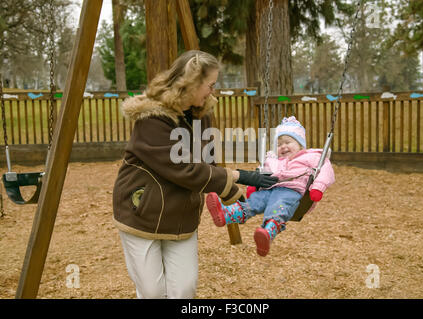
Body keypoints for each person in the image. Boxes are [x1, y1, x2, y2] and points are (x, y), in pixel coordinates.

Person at [112, 50, 278, 299]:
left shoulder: (201, 116)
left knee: (184, 290)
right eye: (210, 85)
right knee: (152, 293)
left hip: (181, 214)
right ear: (192, 84)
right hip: (142, 213)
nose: (212, 92)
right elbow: (184, 168)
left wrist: (239, 199)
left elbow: (206, 165)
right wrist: (238, 176)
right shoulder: (152, 119)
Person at [206, 116, 335, 257]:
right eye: (279, 144)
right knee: (254, 201)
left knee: (279, 205)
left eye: (288, 142)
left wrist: (318, 188)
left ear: (300, 145)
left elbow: (326, 171)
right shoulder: (274, 160)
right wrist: (254, 186)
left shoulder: (312, 156)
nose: (283, 146)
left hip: (292, 190)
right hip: (269, 189)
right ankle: (227, 214)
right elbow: (263, 173)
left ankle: (269, 230)